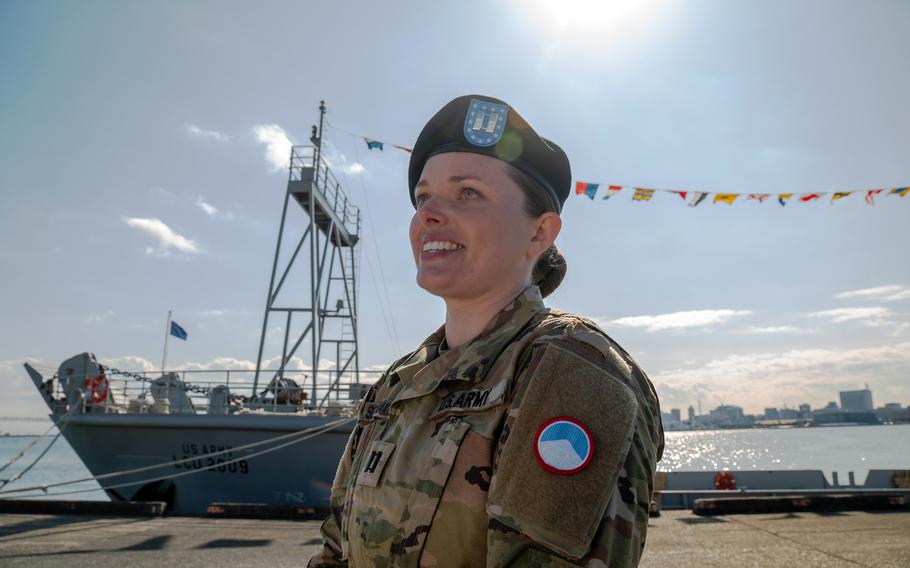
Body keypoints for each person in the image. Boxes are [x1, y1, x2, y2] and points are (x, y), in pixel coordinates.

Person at [309, 95, 664, 567]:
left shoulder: (572, 372)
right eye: (423, 197)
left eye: (468, 193)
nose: (428, 213)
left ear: (539, 233)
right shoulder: (400, 382)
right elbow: (337, 547)